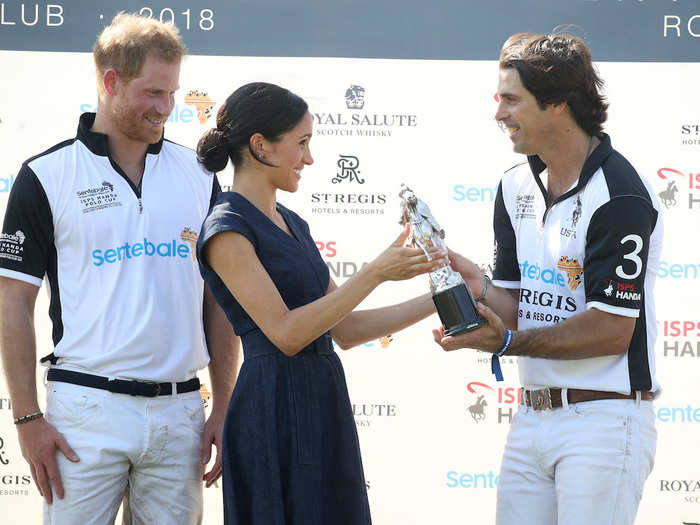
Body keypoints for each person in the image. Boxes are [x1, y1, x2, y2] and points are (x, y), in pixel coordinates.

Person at [0, 13, 239, 525]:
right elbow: (13, 302)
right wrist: (26, 418)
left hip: (179, 411)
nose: (167, 109)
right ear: (110, 83)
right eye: (154, 93)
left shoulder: (199, 176)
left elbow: (218, 299)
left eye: (173, 93)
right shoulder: (46, 175)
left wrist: (223, 404)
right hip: (83, 411)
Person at [433, 33, 663, 525]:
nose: (499, 114)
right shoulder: (513, 184)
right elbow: (520, 305)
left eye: (512, 100)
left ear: (558, 103)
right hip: (531, 419)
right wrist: (479, 285)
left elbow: (610, 331)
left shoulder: (619, 195)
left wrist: (509, 341)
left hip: (604, 422)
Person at [195, 82, 443, 524]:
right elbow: (287, 334)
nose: (309, 159)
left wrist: (441, 298)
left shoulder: (293, 222)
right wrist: (373, 272)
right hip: (270, 409)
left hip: (322, 400)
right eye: (302, 143)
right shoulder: (227, 228)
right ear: (260, 146)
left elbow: (346, 331)